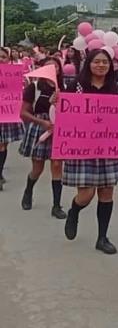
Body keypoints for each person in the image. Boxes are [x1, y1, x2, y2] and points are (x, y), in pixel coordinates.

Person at [62, 49, 118, 255]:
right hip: (83, 147)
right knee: (86, 194)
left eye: (105, 62)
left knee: (107, 191)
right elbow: (65, 114)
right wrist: (58, 101)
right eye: (97, 62)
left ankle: (102, 237)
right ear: (89, 63)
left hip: (109, 146)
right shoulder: (77, 86)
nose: (101, 65)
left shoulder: (114, 88)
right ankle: (75, 210)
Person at [19, 56, 66, 218]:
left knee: (57, 166)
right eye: (49, 66)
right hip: (39, 128)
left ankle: (56, 205)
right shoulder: (34, 87)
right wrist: (42, 122)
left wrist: (58, 103)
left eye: (56, 66)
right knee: (37, 168)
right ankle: (28, 191)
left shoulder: (64, 87)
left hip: (59, 129)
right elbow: (23, 113)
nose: (53, 69)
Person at [0, 47, 26, 187]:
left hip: (6, 114)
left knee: (3, 144)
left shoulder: (14, 74)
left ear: (8, 60)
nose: (0, 59)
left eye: (3, 57)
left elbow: (20, 93)